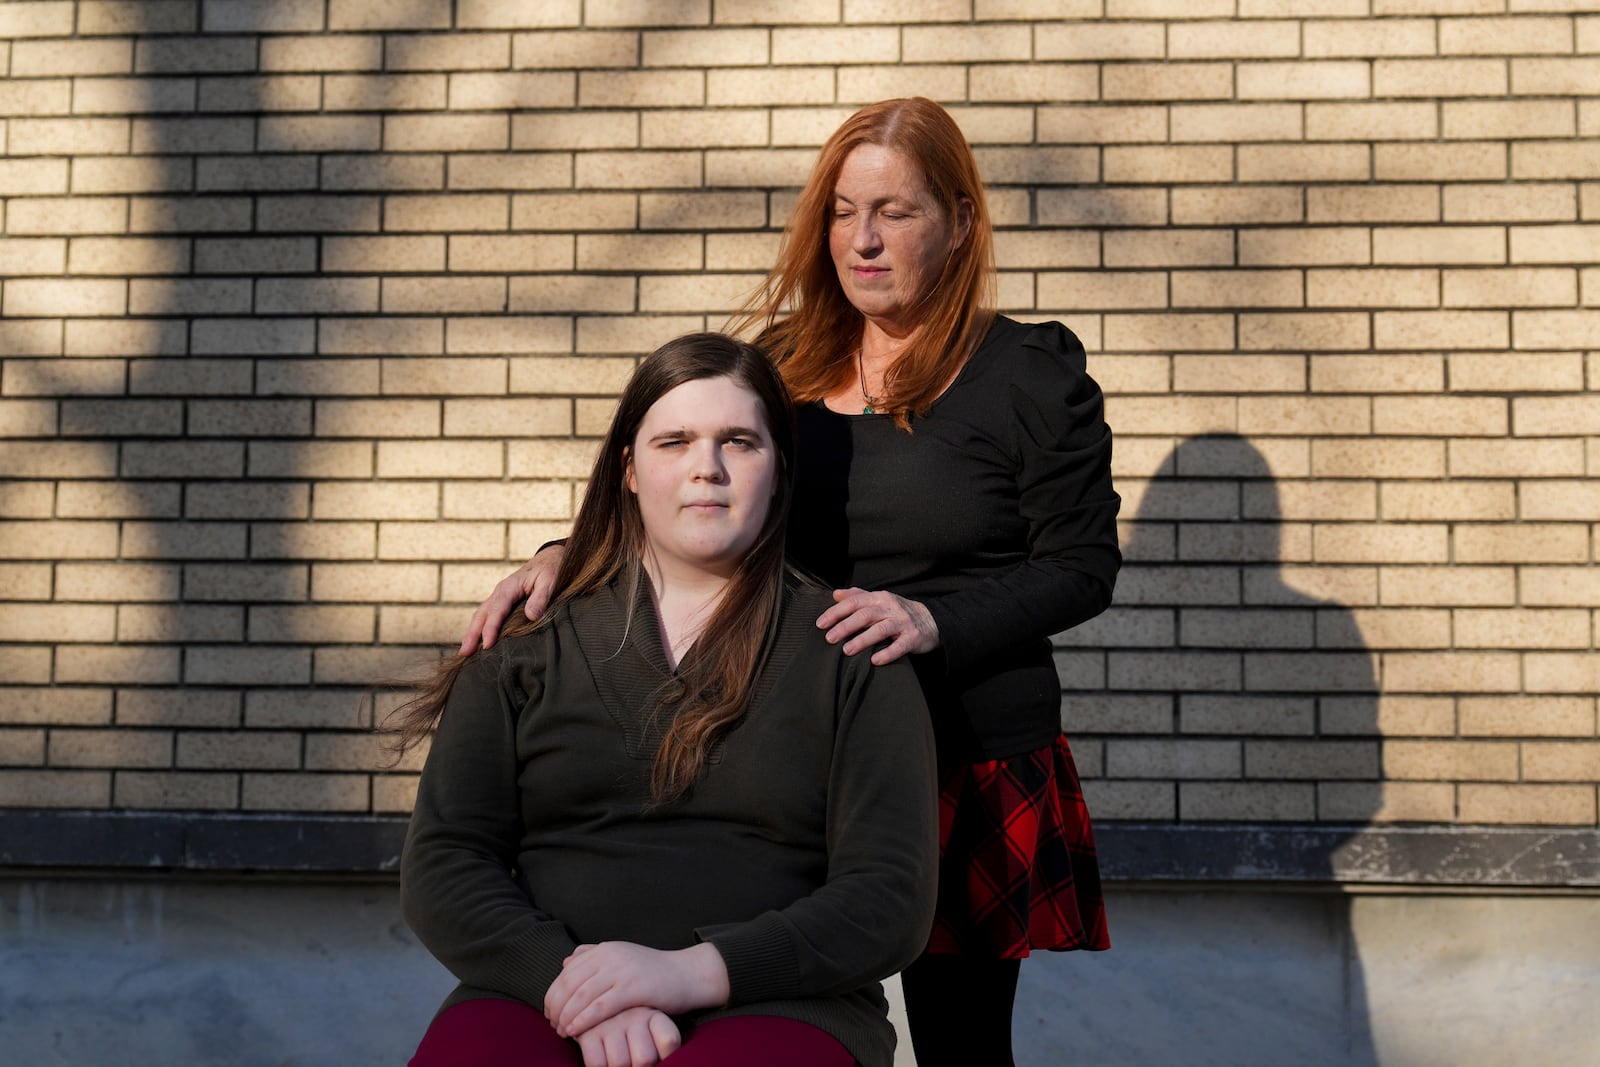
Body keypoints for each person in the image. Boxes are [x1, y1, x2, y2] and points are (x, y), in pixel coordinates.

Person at [462, 98, 1120, 1067]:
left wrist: (930, 618)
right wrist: (576, 551)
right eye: (842, 210)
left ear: (959, 221)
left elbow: (1080, 567)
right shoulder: (781, 363)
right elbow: (693, 490)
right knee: (769, 1013)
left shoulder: (1027, 372)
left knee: (961, 1043)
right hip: (791, 737)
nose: (861, 239)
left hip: (962, 747)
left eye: (895, 212)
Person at [396, 332, 938, 1067]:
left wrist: (683, 972)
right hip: (542, 993)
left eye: (740, 441)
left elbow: (888, 900)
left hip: (783, 1002)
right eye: (674, 441)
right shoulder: (526, 644)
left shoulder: (853, 654)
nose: (705, 468)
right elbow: (445, 861)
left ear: (778, 469)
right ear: (628, 468)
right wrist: (576, 985)